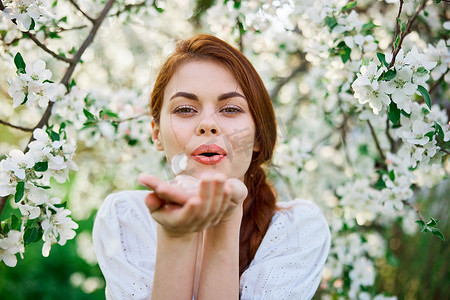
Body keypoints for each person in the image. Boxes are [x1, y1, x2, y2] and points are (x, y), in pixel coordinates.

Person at [93, 34, 331, 300]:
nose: (207, 124)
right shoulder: (127, 218)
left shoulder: (296, 230)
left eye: (230, 109)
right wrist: (176, 238)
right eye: (185, 109)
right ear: (156, 133)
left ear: (258, 136)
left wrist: (226, 222)